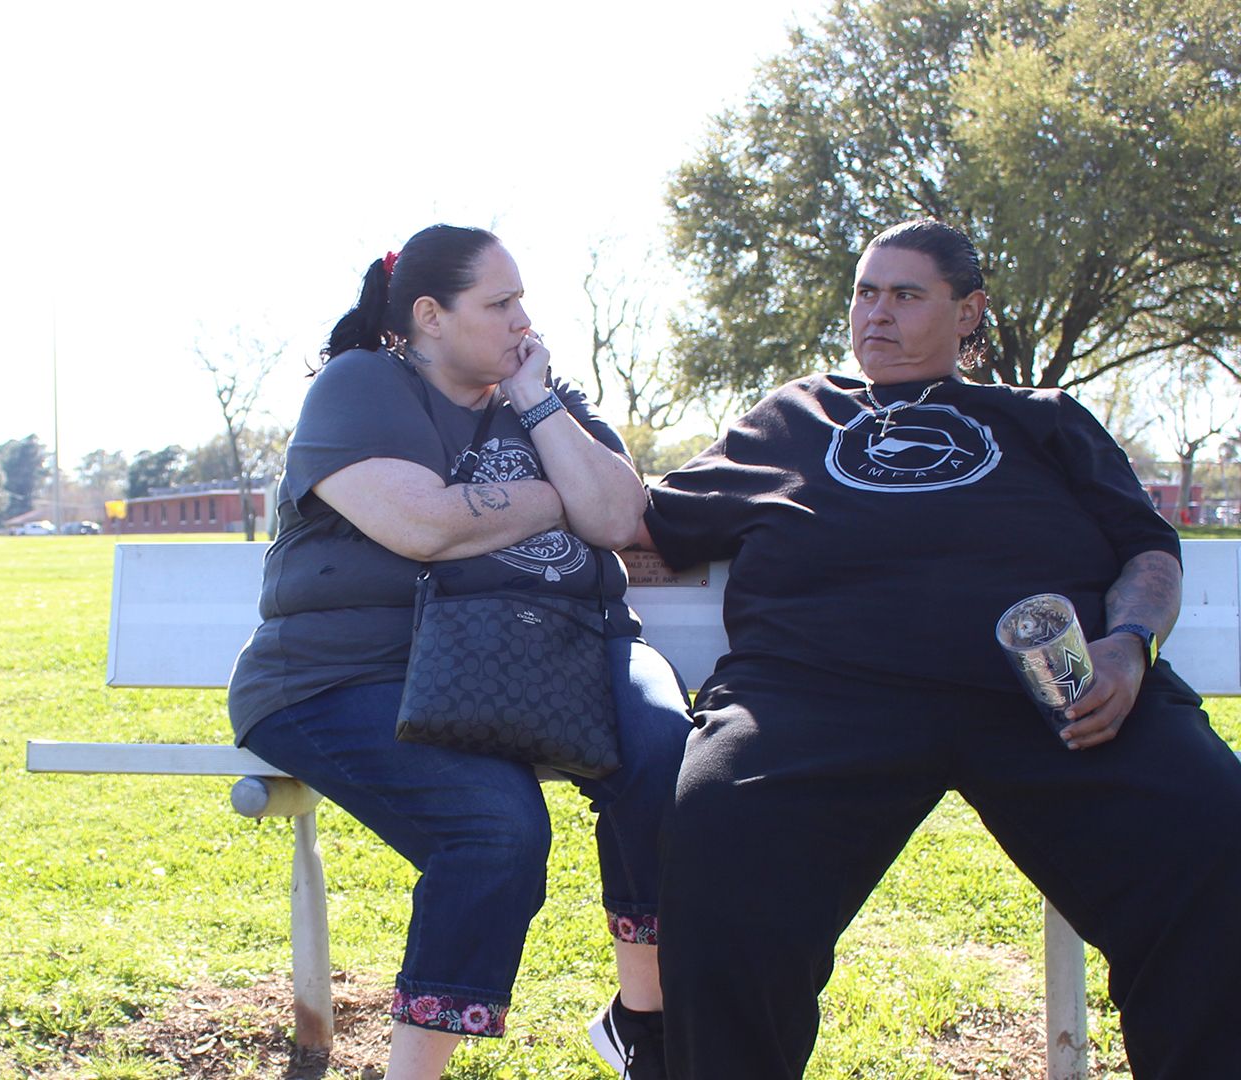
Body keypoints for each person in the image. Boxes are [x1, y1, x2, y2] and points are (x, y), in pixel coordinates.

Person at [640, 218, 1241, 1078]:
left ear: (969, 314)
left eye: (906, 295)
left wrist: (1130, 647)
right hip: (814, 700)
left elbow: (1148, 550)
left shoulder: (1042, 420)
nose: (875, 316)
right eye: (865, 292)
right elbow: (648, 519)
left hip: (1050, 697)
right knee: (717, 846)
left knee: (1216, 835)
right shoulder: (793, 419)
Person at [226, 224, 693, 1080]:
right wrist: (560, 497)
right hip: (347, 676)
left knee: (665, 743)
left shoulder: (548, 399)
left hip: (555, 653)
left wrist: (540, 410)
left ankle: (645, 1024)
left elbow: (619, 519)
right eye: (501, 302)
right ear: (432, 316)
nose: (524, 319)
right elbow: (424, 526)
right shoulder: (362, 384)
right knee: (497, 827)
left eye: (523, 300)